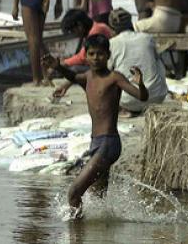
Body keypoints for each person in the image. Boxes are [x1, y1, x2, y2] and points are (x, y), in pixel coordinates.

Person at [42, 35, 148, 218]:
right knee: (97, 197)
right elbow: (72, 76)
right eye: (91, 54)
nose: (95, 57)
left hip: (109, 143)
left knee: (74, 192)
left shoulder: (114, 78)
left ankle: (76, 234)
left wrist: (140, 84)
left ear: (108, 55)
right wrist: (57, 67)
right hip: (95, 143)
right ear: (86, 56)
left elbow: (142, 97)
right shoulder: (87, 77)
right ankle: (102, 233)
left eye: (100, 54)